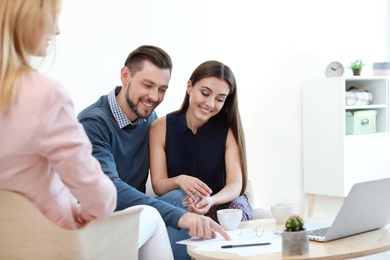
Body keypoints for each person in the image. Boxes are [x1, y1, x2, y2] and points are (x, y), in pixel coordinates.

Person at [0, 1, 173, 259]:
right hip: (60, 240)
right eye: (51, 17)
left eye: (162, 89)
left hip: (10, 241)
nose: (56, 30)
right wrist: (84, 212)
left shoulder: (151, 119)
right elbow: (102, 198)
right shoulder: (47, 96)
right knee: (151, 217)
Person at [77, 45, 230, 252]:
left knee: (181, 197)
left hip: (133, 217)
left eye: (162, 89)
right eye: (147, 85)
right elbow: (109, 188)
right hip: (96, 220)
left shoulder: (149, 119)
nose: (154, 97)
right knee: (169, 207)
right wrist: (180, 216)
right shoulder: (93, 123)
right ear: (125, 76)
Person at [149, 60, 252, 259]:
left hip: (222, 203)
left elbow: (235, 185)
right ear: (189, 87)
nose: (210, 104)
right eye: (205, 93)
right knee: (175, 200)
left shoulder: (227, 131)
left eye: (220, 99)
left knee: (231, 212)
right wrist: (179, 180)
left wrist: (211, 200)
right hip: (183, 204)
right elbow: (158, 185)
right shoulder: (160, 127)